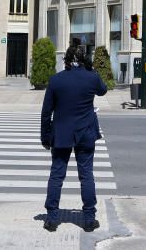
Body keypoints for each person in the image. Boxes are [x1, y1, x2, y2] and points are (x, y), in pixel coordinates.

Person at [40, 44, 107, 233]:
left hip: (61, 133)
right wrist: (90, 69)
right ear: (84, 58)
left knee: (56, 175)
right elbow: (103, 90)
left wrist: (45, 136)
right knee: (86, 175)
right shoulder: (91, 77)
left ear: (66, 60)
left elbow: (46, 112)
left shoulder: (56, 80)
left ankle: (52, 219)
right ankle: (88, 219)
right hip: (85, 132)